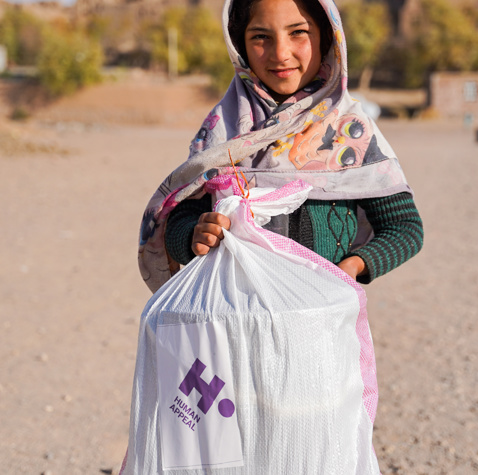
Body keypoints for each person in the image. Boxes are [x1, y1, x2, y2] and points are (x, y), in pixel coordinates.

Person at [137, 0, 422, 292]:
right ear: (239, 44)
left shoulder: (350, 132)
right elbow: (179, 218)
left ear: (327, 37)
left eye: (298, 32)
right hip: (236, 318)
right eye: (261, 37)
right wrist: (193, 236)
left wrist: (353, 267)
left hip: (322, 314)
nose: (281, 54)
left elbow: (405, 228)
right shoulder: (223, 129)